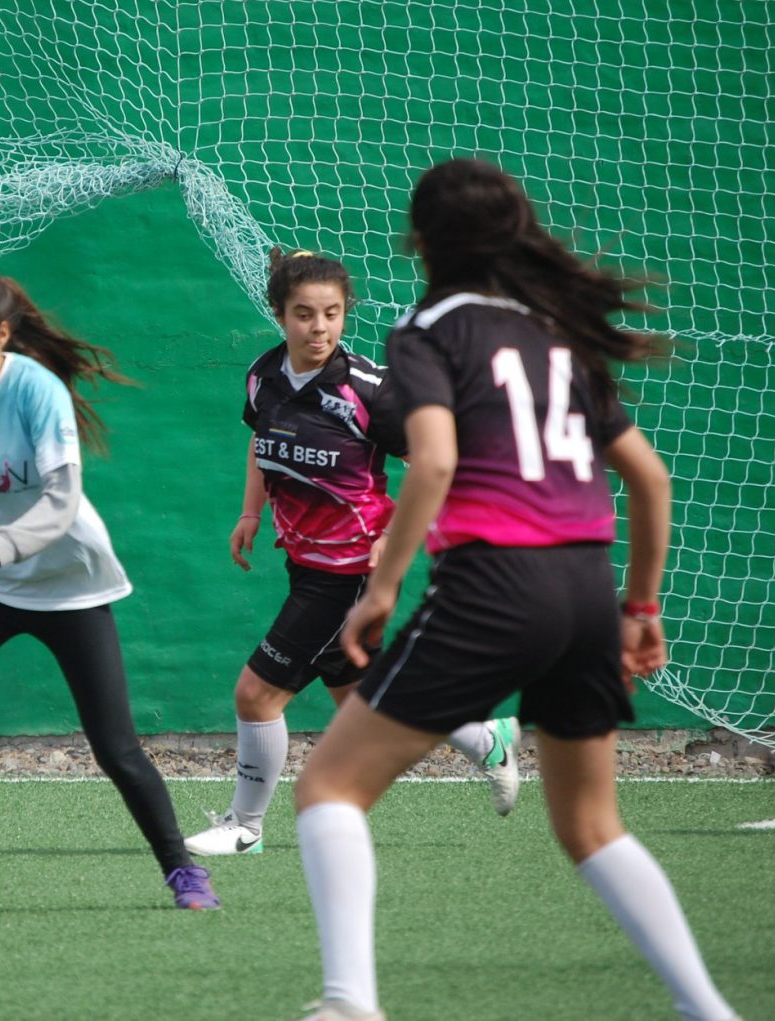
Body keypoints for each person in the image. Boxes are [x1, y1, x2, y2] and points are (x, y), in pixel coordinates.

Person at [292, 160, 741, 1021]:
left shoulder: (427, 329)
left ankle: (351, 1003)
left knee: (330, 789)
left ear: (419, 242)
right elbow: (649, 478)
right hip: (584, 589)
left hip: (493, 584)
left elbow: (434, 461)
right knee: (592, 826)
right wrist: (640, 610)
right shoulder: (559, 331)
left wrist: (383, 587)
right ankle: (708, 1010)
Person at [0, 270, 220, 918]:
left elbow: (60, 502)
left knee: (116, 747)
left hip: (71, 586)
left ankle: (182, 869)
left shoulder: (36, 391)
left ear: (0, 334)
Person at [184, 249, 521, 859]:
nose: (319, 328)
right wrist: (250, 512)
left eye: (332, 314)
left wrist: (396, 538)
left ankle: (245, 826)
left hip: (348, 575)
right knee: (369, 702)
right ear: (280, 315)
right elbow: (263, 445)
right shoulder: (262, 377)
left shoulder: (371, 391)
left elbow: (435, 469)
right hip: (302, 564)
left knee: (256, 695)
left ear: (345, 316)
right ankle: (482, 735)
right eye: (305, 315)